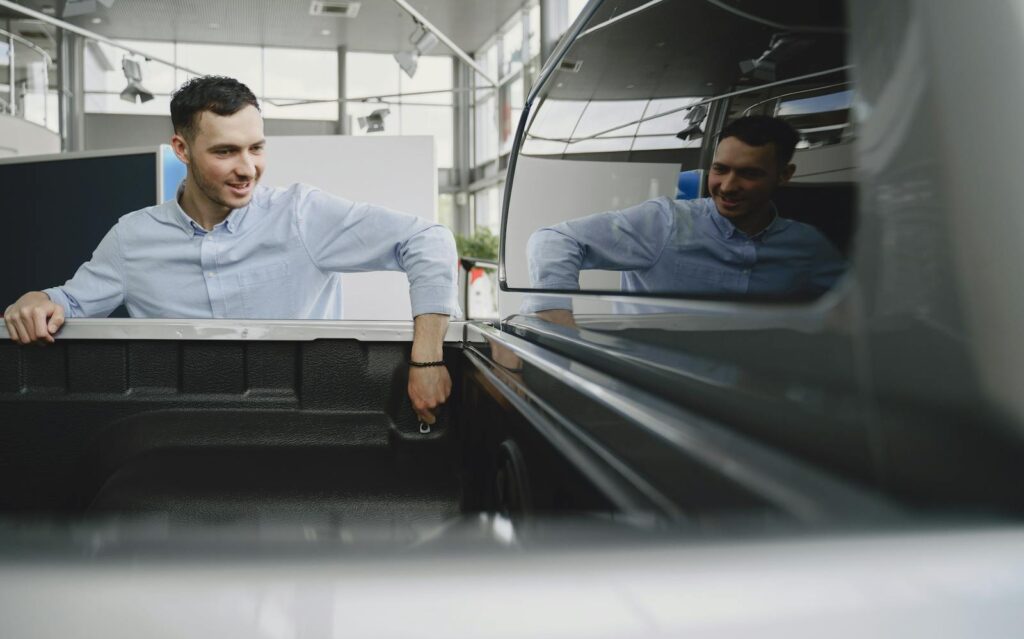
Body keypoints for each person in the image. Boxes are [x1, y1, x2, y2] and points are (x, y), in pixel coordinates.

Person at [2, 76, 458, 424]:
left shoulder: (301, 214)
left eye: (256, 147)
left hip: (299, 423)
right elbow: (72, 302)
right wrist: (38, 301)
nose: (247, 169)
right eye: (225, 152)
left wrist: (428, 355)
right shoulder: (132, 238)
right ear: (182, 149)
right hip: (180, 433)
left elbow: (427, 240)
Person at [523, 115, 846, 322]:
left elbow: (858, 309)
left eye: (749, 174)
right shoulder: (666, 223)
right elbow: (553, 239)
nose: (728, 186)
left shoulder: (807, 246)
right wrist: (555, 315)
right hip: (646, 390)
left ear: (784, 175)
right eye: (720, 169)